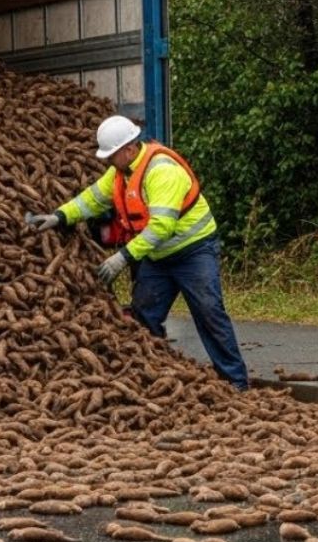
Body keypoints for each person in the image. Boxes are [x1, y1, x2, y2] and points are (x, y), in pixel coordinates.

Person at [26, 115, 250, 391]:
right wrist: (60, 216)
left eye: (111, 156)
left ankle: (235, 382)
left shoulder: (162, 171)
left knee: (209, 312)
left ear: (129, 149)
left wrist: (122, 257)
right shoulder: (121, 173)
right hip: (158, 257)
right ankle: (158, 375)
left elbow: (161, 227)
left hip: (193, 252)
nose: (108, 162)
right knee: (144, 316)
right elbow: (93, 199)